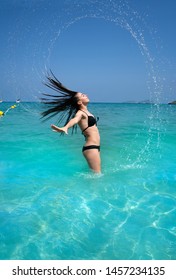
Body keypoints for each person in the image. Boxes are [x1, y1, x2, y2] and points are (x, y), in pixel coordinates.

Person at [41, 72, 101, 173]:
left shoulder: (87, 112)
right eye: (82, 95)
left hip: (95, 147)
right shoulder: (80, 113)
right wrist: (66, 127)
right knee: (97, 176)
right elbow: (75, 119)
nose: (86, 95)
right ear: (79, 102)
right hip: (91, 148)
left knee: (96, 175)